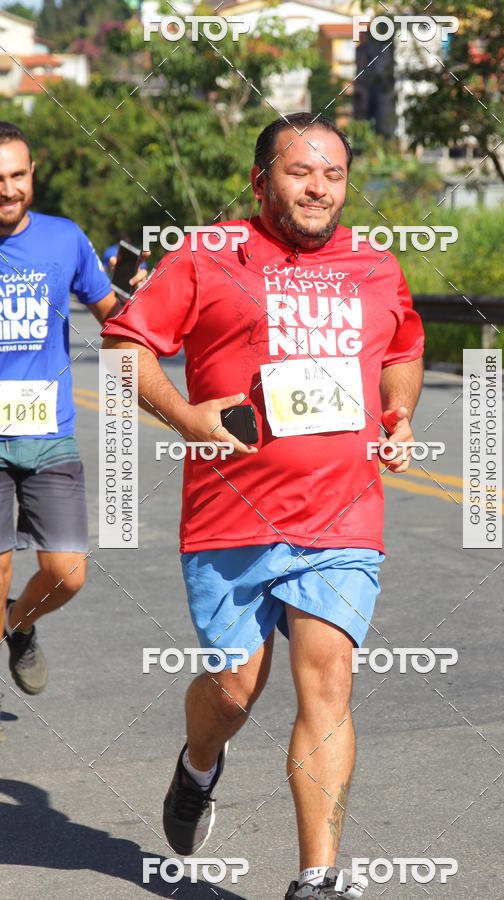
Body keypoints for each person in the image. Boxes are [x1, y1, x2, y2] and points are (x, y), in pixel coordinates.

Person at [102, 112, 424, 899]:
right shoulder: (208, 254)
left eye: (334, 175)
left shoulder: (374, 265)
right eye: (299, 172)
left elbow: (405, 348)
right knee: (235, 689)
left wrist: (400, 414)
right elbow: (124, 345)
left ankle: (316, 879)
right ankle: (197, 767)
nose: (319, 188)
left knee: (330, 684)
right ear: (260, 181)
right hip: (230, 517)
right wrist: (186, 417)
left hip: (341, 517)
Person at [0, 121, 146, 695]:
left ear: (32, 175)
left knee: (68, 573)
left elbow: (110, 309)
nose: (6, 188)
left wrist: (145, 304)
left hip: (48, 433)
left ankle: (19, 624)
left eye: (16, 175)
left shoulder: (64, 238)